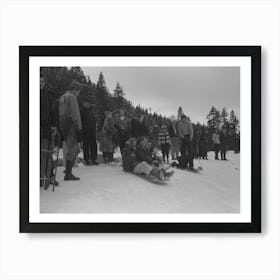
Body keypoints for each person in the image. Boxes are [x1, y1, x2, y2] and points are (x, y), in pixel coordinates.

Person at [59, 80, 83, 180]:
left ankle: (67, 170)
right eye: (78, 91)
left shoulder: (62, 97)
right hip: (72, 125)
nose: (79, 93)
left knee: (69, 147)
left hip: (63, 124)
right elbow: (75, 113)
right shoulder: (72, 97)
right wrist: (79, 129)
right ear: (74, 89)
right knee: (73, 148)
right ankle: (68, 173)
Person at [40, 73, 59, 188]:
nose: (40, 83)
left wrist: (55, 125)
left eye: (42, 81)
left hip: (46, 129)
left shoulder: (49, 96)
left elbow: (54, 112)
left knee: (47, 153)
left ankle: (48, 176)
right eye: (38, 81)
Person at [80, 101, 98, 165]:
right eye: (86, 103)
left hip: (92, 130)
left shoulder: (91, 111)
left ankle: (94, 159)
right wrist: (82, 129)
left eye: (88, 103)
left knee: (93, 144)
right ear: (83, 104)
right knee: (86, 146)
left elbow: (94, 120)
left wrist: (94, 127)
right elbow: (80, 121)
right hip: (85, 131)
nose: (87, 104)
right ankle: (86, 160)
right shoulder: (81, 111)